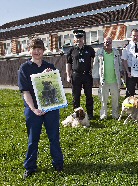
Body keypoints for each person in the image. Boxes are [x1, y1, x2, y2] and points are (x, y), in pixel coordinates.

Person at [18, 37, 64, 179]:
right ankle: (30, 167)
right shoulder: (24, 68)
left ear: (44, 51)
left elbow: (55, 89)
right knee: (33, 139)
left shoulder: (50, 67)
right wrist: (33, 109)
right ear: (29, 50)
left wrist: (49, 77)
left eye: (40, 49)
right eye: (34, 48)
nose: (37, 51)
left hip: (50, 108)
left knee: (54, 137)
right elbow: (25, 92)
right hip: (33, 110)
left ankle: (58, 163)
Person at [66, 29, 95, 120]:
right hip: (76, 75)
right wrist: (68, 75)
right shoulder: (71, 50)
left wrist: (93, 70)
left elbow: (96, 60)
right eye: (77, 38)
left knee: (89, 95)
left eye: (80, 37)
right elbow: (68, 63)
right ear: (74, 39)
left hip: (87, 75)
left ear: (83, 38)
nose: (79, 40)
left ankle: (90, 114)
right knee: (76, 96)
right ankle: (76, 114)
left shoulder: (89, 49)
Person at [92, 37, 123, 120]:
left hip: (115, 80)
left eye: (109, 42)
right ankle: (103, 114)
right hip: (103, 80)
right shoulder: (99, 52)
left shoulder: (116, 52)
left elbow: (120, 63)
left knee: (115, 98)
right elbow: (95, 65)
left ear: (112, 43)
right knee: (103, 98)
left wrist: (121, 72)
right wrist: (96, 77)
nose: (107, 43)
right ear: (104, 43)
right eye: (106, 42)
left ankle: (115, 114)